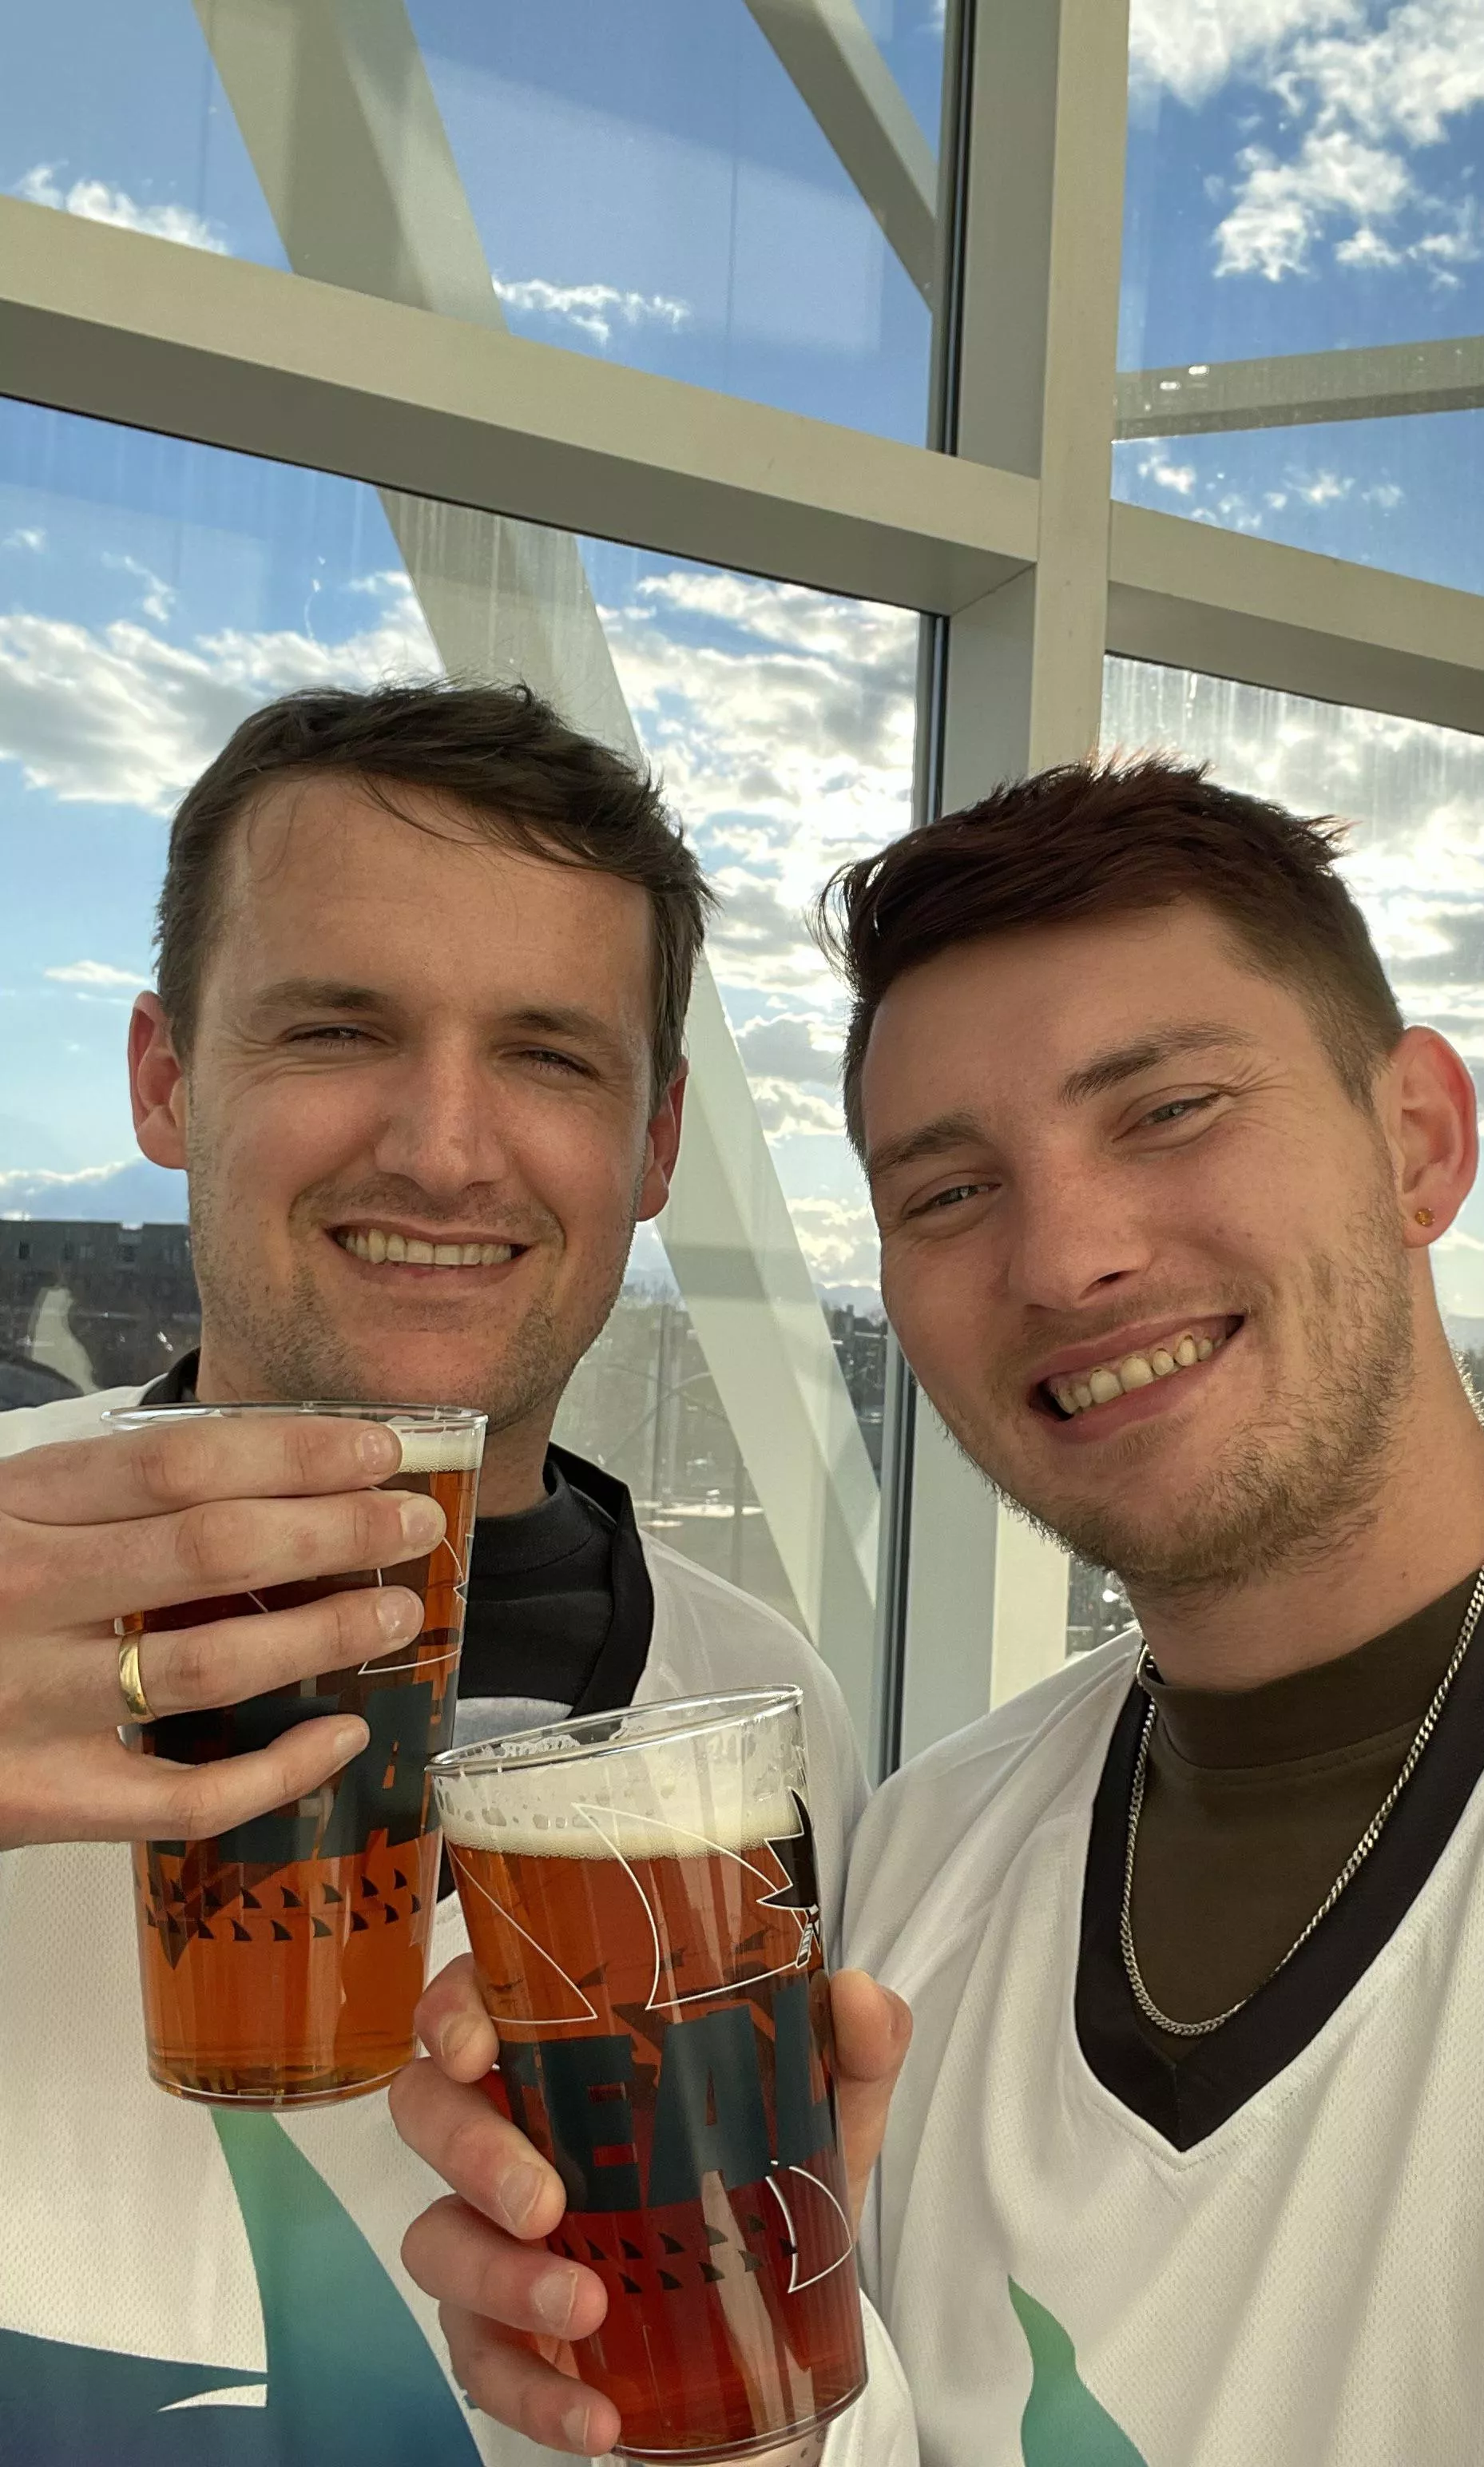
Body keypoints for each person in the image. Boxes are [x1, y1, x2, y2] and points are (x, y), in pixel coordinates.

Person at [402, 752, 1484, 2465]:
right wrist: (719, 2405)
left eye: (1169, 1110)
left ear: (1420, 1143)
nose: (1064, 1258)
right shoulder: (928, 1855)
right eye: (950, 1192)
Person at [0, 681, 904, 2467]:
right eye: (337, 1028)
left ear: (655, 1146)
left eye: (550, 1056)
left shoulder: (766, 1716)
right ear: (167, 1079)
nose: (439, 1145)